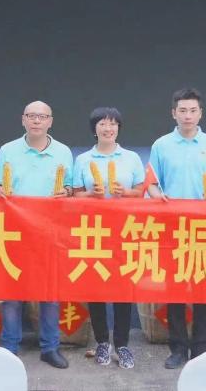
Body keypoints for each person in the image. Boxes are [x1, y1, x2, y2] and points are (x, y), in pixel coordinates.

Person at [146, 88, 206, 369]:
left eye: (193, 110)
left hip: (204, 226)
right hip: (171, 226)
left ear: (201, 113)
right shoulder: (161, 145)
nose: (187, 115)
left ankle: (201, 348)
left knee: (203, 288)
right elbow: (151, 182)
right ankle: (177, 348)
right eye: (182, 110)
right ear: (173, 113)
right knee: (175, 289)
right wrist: (157, 195)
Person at [0, 100, 73, 369]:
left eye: (42, 116)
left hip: (49, 232)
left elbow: (71, 189)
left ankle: (50, 347)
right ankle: (9, 347)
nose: (37, 120)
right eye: (32, 116)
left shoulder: (63, 152)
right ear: (23, 119)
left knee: (49, 293)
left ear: (50, 121)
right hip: (14, 231)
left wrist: (66, 192)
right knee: (12, 293)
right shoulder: (8, 150)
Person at [71, 107, 145, 369]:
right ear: (94, 129)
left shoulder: (131, 158)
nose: (108, 128)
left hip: (125, 229)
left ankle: (122, 344)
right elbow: (75, 194)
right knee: (96, 286)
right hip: (94, 230)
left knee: (124, 287)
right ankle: (102, 341)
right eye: (102, 124)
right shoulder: (83, 159)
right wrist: (91, 195)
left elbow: (141, 191)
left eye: (113, 124)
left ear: (118, 128)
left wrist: (126, 192)